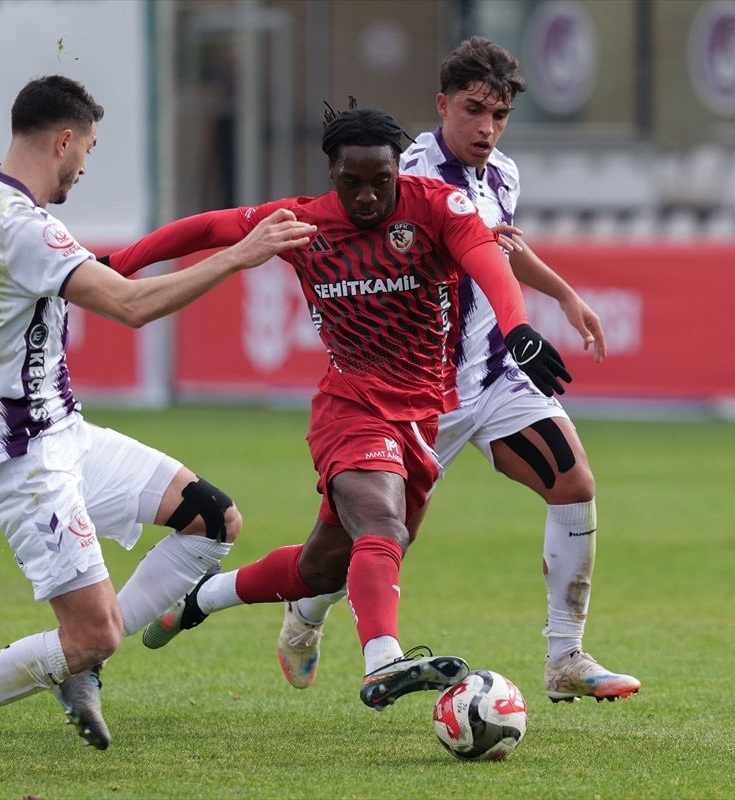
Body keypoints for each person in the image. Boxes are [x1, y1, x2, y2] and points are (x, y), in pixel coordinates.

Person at [0, 75, 316, 774]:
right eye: (89, 150)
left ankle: (83, 661)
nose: (85, 167)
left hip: (64, 432)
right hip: (22, 457)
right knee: (92, 633)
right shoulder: (30, 229)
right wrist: (238, 255)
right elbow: (132, 307)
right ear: (64, 140)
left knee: (212, 519)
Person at [105, 102, 570, 711]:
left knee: (323, 569)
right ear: (332, 175)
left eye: (382, 181)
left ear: (398, 169)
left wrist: (516, 328)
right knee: (382, 525)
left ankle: (199, 598)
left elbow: (488, 263)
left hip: (422, 418)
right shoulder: (302, 224)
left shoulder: (436, 206)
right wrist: (115, 266)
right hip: (349, 405)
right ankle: (384, 660)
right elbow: (208, 228)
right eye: (353, 184)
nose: (370, 197)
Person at [261, 38, 641, 704]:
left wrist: (563, 294)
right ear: (442, 105)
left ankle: (565, 657)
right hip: (418, 393)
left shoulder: (504, 174)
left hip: (495, 377)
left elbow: (494, 247)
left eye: (499, 115)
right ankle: (307, 614)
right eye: (474, 111)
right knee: (366, 540)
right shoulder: (405, 176)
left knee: (574, 482)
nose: (487, 129)